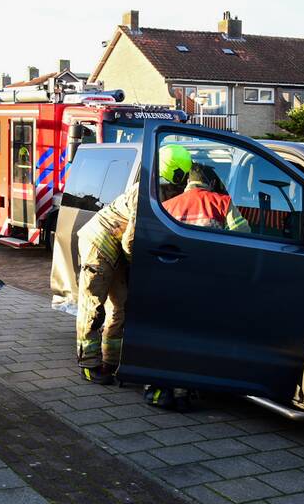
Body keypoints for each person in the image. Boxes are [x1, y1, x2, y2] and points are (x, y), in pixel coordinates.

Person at [75, 144, 193, 385]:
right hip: (99, 245)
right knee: (93, 306)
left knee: (120, 306)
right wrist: (138, 267)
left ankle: (112, 362)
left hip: (115, 249)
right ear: (174, 174)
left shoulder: (160, 192)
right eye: (178, 182)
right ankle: (88, 364)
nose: (179, 189)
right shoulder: (146, 195)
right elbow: (131, 241)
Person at [162, 163, 249, 232]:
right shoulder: (223, 202)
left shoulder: (165, 207)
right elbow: (242, 231)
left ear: (188, 181)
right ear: (213, 183)